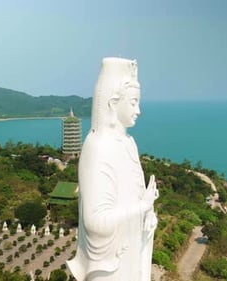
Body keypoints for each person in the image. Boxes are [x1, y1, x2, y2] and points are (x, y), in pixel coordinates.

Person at [67, 57, 158, 281]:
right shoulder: (97, 147)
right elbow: (95, 222)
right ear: (113, 102)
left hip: (131, 254)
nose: (139, 110)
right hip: (110, 268)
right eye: (134, 102)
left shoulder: (129, 143)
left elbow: (132, 200)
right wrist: (141, 206)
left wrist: (147, 216)